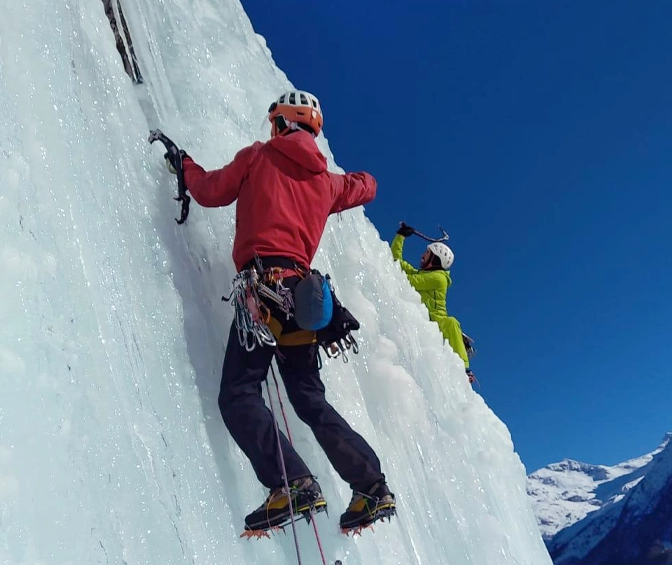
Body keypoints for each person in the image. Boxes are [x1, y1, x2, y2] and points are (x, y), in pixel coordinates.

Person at [168, 90, 395, 534]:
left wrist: (185, 165)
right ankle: (371, 487)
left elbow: (211, 191)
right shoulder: (327, 183)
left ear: (281, 123)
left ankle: (292, 484)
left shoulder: (258, 158)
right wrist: (357, 179)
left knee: (238, 393)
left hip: (264, 292)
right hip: (305, 301)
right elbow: (366, 185)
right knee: (309, 399)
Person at [391, 223, 475, 383]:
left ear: (435, 259)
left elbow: (409, 280)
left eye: (427, 253)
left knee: (452, 322)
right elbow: (395, 262)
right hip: (423, 319)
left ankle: (465, 369)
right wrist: (400, 237)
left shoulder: (439, 278)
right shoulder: (422, 274)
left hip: (438, 322)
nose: (423, 255)